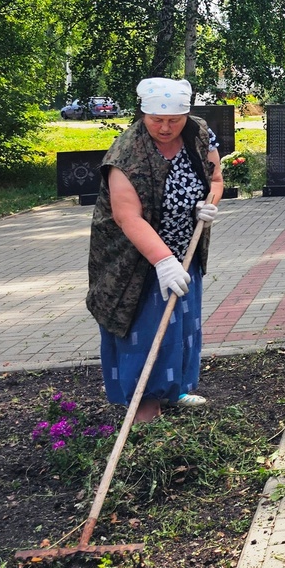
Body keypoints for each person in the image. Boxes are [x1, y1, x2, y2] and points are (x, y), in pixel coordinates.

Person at [86, 78, 223, 421]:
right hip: (134, 261)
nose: (165, 127)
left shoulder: (200, 133)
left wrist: (209, 204)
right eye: (156, 120)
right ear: (143, 114)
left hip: (184, 250)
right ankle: (145, 409)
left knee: (181, 323)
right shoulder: (126, 152)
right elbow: (126, 216)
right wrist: (163, 261)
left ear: (186, 114)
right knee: (144, 328)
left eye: (173, 120)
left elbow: (216, 178)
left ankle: (174, 389)